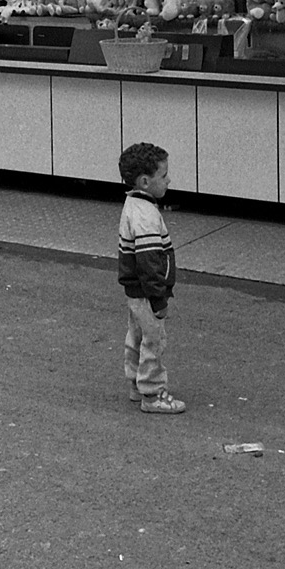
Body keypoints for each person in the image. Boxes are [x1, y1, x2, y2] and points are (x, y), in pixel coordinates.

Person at [117, 141, 186, 415]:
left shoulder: (132, 203)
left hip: (134, 292)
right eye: (164, 175)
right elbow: (149, 263)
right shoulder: (146, 215)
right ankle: (153, 393)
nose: (169, 180)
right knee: (154, 341)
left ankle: (135, 382)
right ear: (145, 181)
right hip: (148, 293)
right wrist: (159, 299)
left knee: (136, 336)